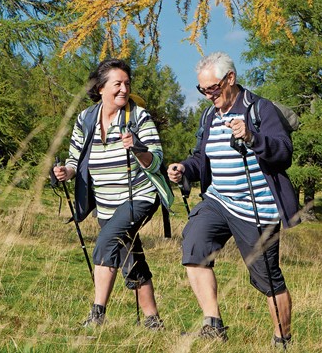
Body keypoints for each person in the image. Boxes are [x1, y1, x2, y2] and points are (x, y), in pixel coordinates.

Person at [167, 52, 300, 348]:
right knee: (194, 244)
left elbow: (284, 153)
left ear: (230, 79)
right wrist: (184, 168)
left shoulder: (259, 110)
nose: (207, 95)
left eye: (212, 88)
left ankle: (283, 340)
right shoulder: (209, 116)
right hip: (218, 200)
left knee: (266, 277)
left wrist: (253, 138)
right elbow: (201, 158)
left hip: (256, 207)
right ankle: (213, 324)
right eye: (202, 90)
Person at [53, 58, 166, 330]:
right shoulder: (86, 118)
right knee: (130, 256)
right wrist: (66, 172)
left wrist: (138, 149)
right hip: (105, 203)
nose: (124, 89)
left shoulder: (138, 117)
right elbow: (74, 157)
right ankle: (152, 321)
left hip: (139, 197)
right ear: (101, 88)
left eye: (127, 84)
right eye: (118, 84)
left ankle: (97, 314)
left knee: (107, 241)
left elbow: (157, 160)